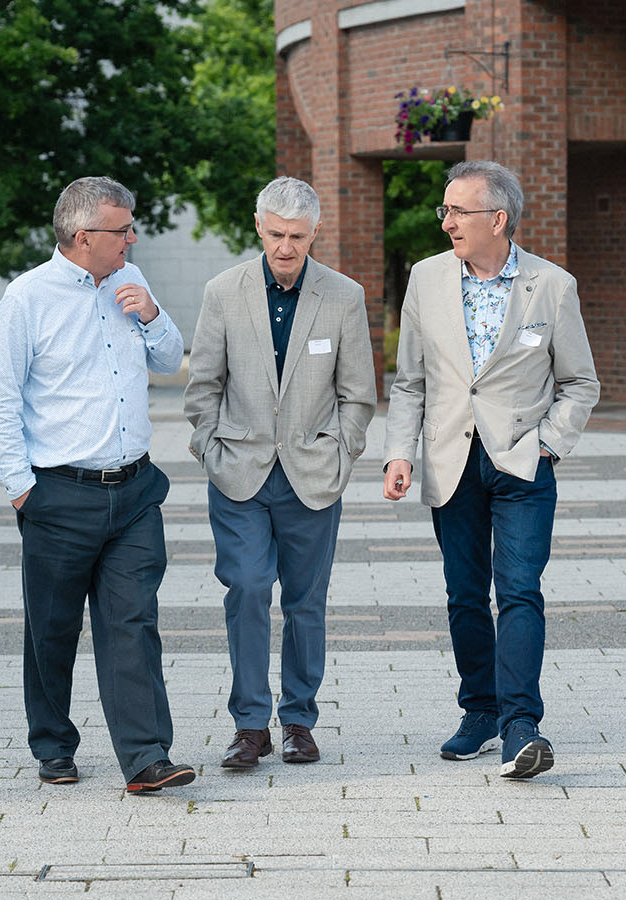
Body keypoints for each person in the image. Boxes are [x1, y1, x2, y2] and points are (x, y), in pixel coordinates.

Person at [382, 161, 600, 779]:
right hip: (451, 461)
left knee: (520, 590)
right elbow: (410, 382)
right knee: (464, 595)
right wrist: (400, 453)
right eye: (445, 210)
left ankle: (521, 726)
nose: (447, 222)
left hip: (522, 464)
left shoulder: (551, 286)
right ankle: (479, 709)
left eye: (458, 211)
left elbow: (580, 383)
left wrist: (547, 445)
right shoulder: (426, 279)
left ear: (498, 219)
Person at [0, 176, 194, 794]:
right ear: (82, 236)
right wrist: (23, 490)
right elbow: (0, 402)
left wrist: (151, 315)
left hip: (135, 493)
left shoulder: (133, 281)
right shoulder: (27, 298)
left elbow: (170, 358)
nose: (132, 239)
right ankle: (53, 744)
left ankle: (146, 757)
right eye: (122, 230)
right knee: (52, 629)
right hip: (58, 495)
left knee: (133, 623)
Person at [184, 176, 376, 770]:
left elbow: (358, 394)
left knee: (305, 602)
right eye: (275, 235)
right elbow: (203, 385)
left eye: (296, 236)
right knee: (246, 589)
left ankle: (298, 721)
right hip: (239, 473)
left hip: (312, 475)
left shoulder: (343, 296)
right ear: (259, 227)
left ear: (315, 232)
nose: (285, 247)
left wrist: (341, 453)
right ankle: (250, 726)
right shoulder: (223, 291)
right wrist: (210, 448)